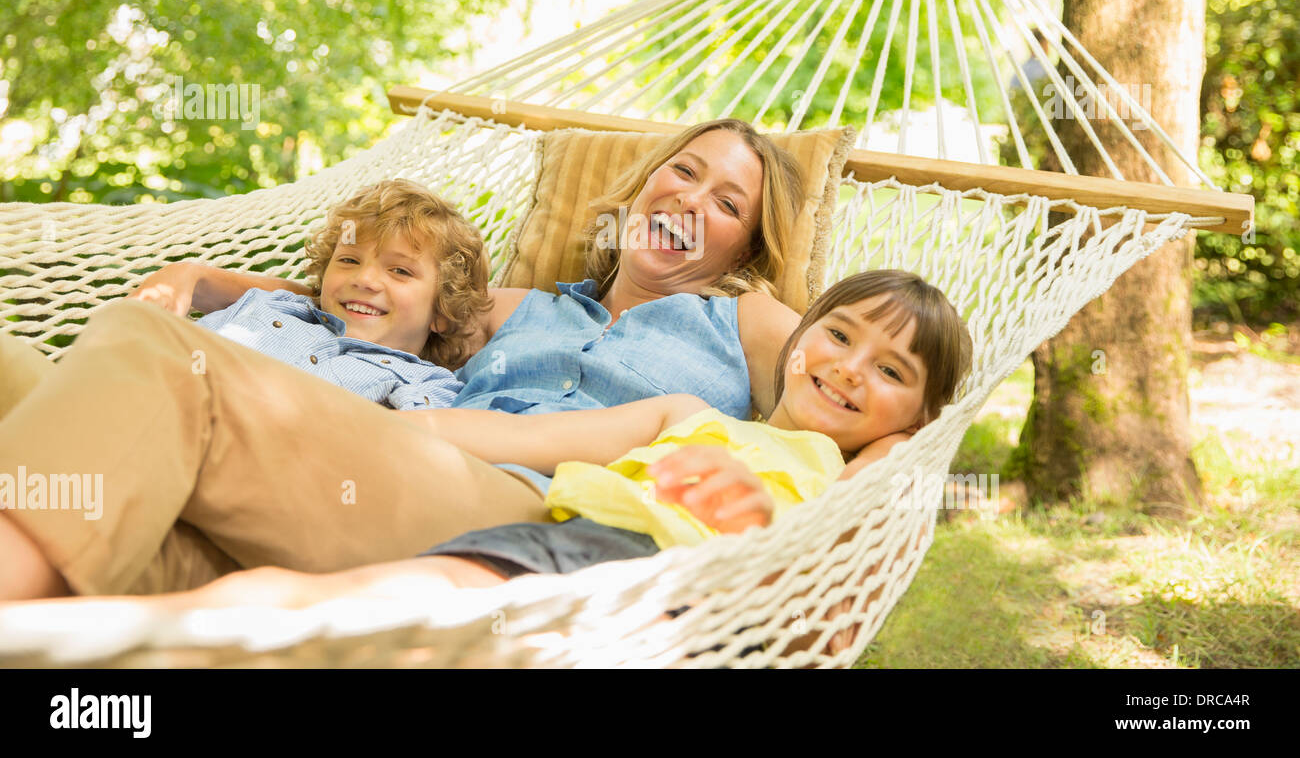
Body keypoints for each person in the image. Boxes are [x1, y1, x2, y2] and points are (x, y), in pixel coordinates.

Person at [0, 119, 810, 600]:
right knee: (18, 371)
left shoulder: (750, 323)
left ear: (749, 239)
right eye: (684, 171)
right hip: (383, 473)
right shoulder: (526, 304)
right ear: (646, 183)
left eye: (728, 202)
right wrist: (201, 281)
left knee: (162, 362)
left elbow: (867, 384)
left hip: (525, 522)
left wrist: (884, 497)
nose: (691, 199)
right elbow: (367, 296)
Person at [79, 269, 973, 612]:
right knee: (315, 601)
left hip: (665, 585)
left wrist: (915, 440)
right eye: (843, 337)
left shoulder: (859, 464)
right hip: (557, 533)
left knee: (363, 609)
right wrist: (388, 424)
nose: (854, 370)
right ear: (808, 335)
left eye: (894, 372)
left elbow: (897, 475)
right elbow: (545, 434)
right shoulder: (684, 415)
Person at [192, 178, 489, 410]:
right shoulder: (273, 305)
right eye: (349, 260)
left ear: (441, 312)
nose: (364, 279)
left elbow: (413, 447)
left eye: (400, 271)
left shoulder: (426, 382)